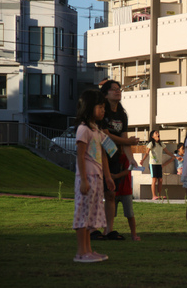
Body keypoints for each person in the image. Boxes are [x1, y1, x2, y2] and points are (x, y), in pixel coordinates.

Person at [90, 80, 140, 241]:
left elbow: (123, 138)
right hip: (97, 157)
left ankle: (108, 230)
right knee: (97, 194)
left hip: (114, 157)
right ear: (105, 93)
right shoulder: (101, 112)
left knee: (111, 194)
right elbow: (105, 136)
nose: (118, 92)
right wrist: (128, 142)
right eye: (114, 90)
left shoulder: (122, 114)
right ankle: (93, 229)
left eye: (119, 89)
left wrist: (131, 158)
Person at [72, 89, 115, 263]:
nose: (103, 110)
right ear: (89, 108)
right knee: (83, 214)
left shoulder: (96, 130)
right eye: (100, 107)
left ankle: (88, 250)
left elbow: (104, 155)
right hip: (87, 177)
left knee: (90, 215)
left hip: (96, 177)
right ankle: (81, 252)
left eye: (103, 107)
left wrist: (108, 177)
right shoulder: (84, 130)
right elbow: (80, 155)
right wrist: (83, 180)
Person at [140, 130, 182, 200]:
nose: (158, 134)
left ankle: (159, 195)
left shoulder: (161, 144)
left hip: (159, 164)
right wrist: (142, 160)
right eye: (156, 133)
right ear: (152, 136)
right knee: (154, 180)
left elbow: (167, 152)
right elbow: (147, 153)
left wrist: (176, 157)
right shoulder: (151, 144)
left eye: (158, 133)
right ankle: (154, 195)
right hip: (153, 164)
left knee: (160, 180)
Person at [112, 150, 141, 241]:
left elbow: (128, 170)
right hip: (114, 189)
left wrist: (116, 176)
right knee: (110, 214)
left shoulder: (126, 156)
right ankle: (108, 231)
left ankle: (133, 234)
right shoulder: (112, 156)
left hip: (125, 190)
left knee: (129, 214)